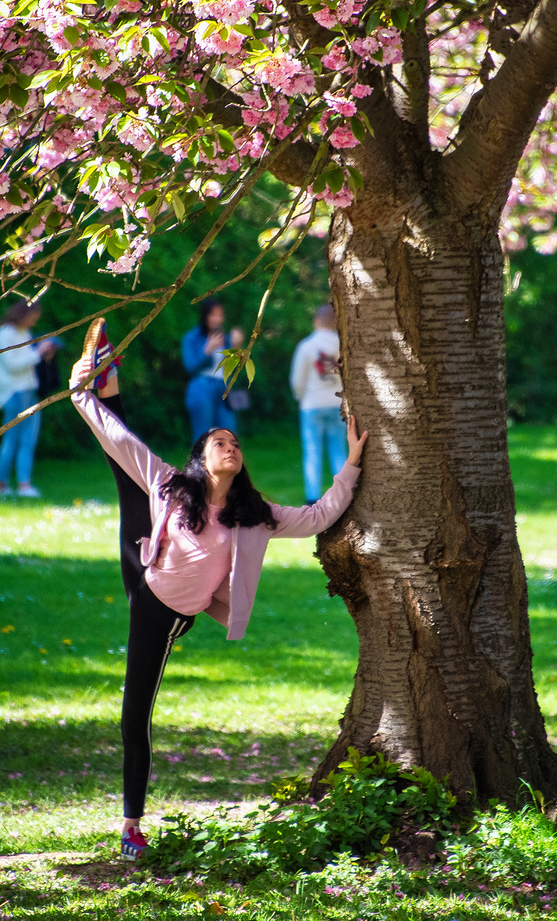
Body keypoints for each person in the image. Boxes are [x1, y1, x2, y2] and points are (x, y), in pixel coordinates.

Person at [68, 319, 368, 863]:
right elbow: (121, 441)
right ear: (201, 456)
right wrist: (79, 395)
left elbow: (321, 514)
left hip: (172, 609)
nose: (230, 445)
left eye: (235, 442)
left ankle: (107, 386)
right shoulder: (171, 484)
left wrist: (350, 464)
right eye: (219, 441)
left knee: (135, 713)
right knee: (127, 475)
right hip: (148, 589)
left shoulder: (254, 516)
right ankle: (104, 384)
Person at [0, 300, 57, 498]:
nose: (33, 323)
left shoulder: (22, 333)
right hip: (14, 393)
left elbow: (27, 363)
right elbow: (13, 365)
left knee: (28, 440)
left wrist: (44, 356)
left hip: (29, 391)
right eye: (32, 319)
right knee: (11, 439)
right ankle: (2, 486)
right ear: (22, 315)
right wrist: (38, 352)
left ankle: (24, 485)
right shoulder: (5, 334)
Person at [289, 304, 347, 504]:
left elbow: (298, 379)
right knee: (338, 448)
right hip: (337, 401)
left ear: (316, 321)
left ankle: (312, 496)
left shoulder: (306, 346)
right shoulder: (342, 344)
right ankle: (343, 494)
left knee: (312, 450)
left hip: (312, 404)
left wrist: (301, 397)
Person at [180, 297, 244, 441]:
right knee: (204, 438)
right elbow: (190, 367)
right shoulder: (192, 338)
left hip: (223, 388)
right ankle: (201, 464)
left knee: (229, 436)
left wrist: (237, 348)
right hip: (201, 388)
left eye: (220, 315)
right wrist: (207, 351)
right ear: (205, 316)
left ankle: (224, 464)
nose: (217, 319)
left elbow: (233, 373)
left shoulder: (226, 339)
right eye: (213, 315)